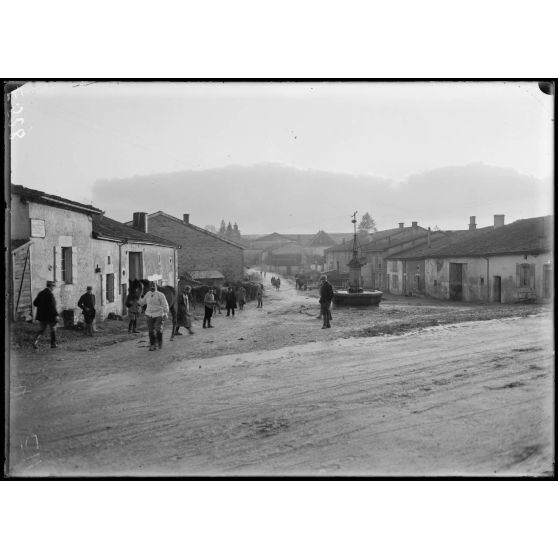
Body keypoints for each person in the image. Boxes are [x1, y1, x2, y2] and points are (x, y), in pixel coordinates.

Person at [139, 282, 169, 351]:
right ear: (149, 287)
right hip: (149, 315)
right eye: (151, 286)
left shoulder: (160, 295)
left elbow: (165, 305)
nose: (152, 287)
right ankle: (153, 345)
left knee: (158, 329)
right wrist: (138, 296)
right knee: (150, 331)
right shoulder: (147, 294)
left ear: (156, 286)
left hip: (159, 314)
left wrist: (166, 313)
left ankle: (159, 341)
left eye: (154, 286)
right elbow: (142, 303)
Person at [32, 280, 59, 349]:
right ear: (50, 286)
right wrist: (56, 315)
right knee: (53, 329)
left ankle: (35, 342)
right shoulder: (50, 294)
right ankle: (53, 344)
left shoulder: (41, 293)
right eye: (53, 286)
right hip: (50, 316)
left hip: (41, 316)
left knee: (42, 329)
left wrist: (42, 307)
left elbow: (35, 303)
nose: (54, 288)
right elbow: (52, 306)